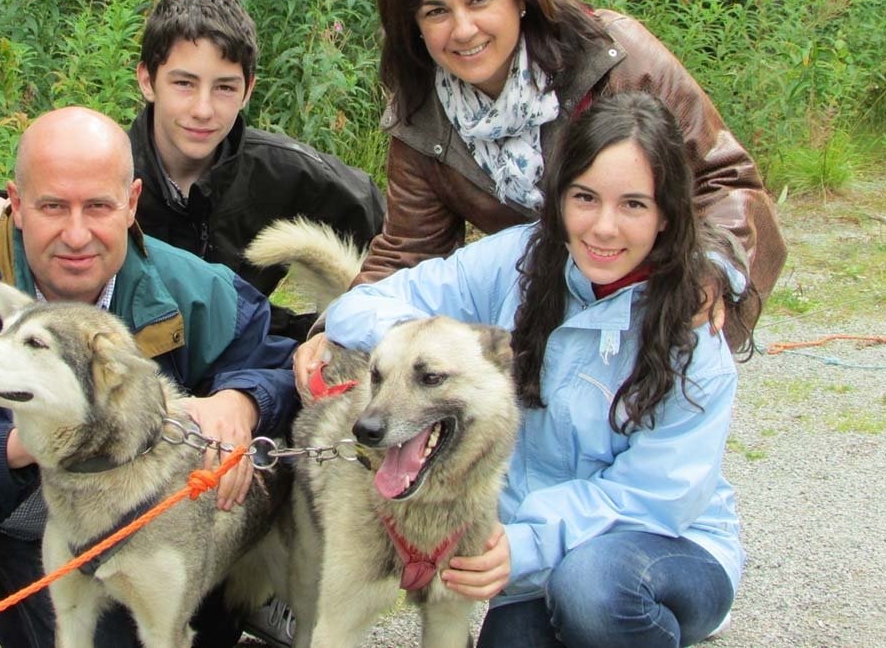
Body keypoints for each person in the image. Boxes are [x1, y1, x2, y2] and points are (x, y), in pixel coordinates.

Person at [0, 107, 298, 648]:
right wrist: (5, 447)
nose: (76, 234)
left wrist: (243, 400)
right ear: (15, 205)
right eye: (52, 206)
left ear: (131, 203)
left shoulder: (187, 286)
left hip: (63, 518)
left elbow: (275, 358)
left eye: (97, 206)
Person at [316, 91, 743, 647]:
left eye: (634, 204)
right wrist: (438, 350)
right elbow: (362, 305)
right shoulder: (515, 261)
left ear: (667, 214)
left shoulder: (694, 329)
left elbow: (658, 496)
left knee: (593, 592)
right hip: (531, 562)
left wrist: (529, 543)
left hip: (663, 548)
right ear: (559, 198)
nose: (605, 228)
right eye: (585, 197)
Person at [358, 0, 785, 349]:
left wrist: (710, 268)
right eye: (436, 11)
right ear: (414, 27)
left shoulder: (612, 57)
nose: (463, 29)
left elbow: (725, 178)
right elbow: (409, 254)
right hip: (549, 298)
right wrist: (339, 331)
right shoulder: (422, 117)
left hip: (662, 289)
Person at [0, 0, 384, 342]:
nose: (203, 110)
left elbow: (395, 235)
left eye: (224, 88)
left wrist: (323, 331)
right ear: (148, 81)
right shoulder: (109, 173)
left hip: (238, 356)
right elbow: (44, 201)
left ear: (248, 90)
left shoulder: (285, 171)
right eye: (184, 84)